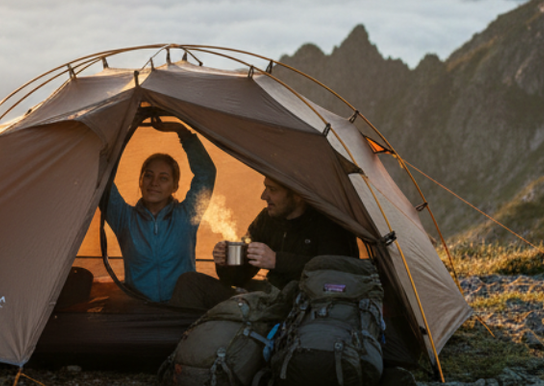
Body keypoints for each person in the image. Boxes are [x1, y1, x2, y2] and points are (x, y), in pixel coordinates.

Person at [169, 175, 358, 312]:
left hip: (304, 305)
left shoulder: (328, 223)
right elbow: (237, 279)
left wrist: (277, 261)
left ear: (298, 195)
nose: (263, 196)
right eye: (265, 187)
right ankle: (182, 351)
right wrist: (226, 263)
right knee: (190, 282)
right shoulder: (267, 218)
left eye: (272, 190)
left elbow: (335, 275)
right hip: (266, 297)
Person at [104, 119, 216, 304]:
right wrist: (123, 130)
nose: (154, 183)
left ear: (175, 186)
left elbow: (206, 174)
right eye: (148, 175)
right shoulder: (123, 217)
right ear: (140, 181)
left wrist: (184, 134)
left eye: (163, 178)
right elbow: (102, 175)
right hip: (140, 309)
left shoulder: (187, 215)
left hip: (182, 307)